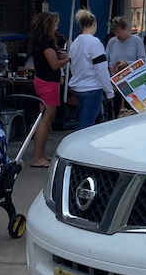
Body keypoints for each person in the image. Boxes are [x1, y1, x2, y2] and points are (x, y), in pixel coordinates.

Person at [28, 11, 68, 167]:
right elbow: (54, 65)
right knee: (45, 120)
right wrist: (68, 59)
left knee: (47, 119)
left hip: (45, 81)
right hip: (48, 83)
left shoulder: (40, 41)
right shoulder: (46, 42)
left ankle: (42, 153)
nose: (57, 27)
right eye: (56, 24)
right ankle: (37, 157)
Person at [67, 9, 113, 130]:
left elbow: (72, 65)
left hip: (77, 87)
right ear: (94, 24)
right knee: (86, 126)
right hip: (92, 88)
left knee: (83, 122)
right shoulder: (95, 42)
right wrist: (109, 91)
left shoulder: (74, 43)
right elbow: (101, 69)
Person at [105, 16, 145, 118]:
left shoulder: (136, 40)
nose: (117, 35)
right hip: (115, 82)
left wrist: (127, 63)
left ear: (125, 28)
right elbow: (107, 60)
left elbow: (143, 61)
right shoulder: (112, 42)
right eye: (115, 33)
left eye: (119, 32)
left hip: (132, 81)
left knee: (131, 111)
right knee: (113, 111)